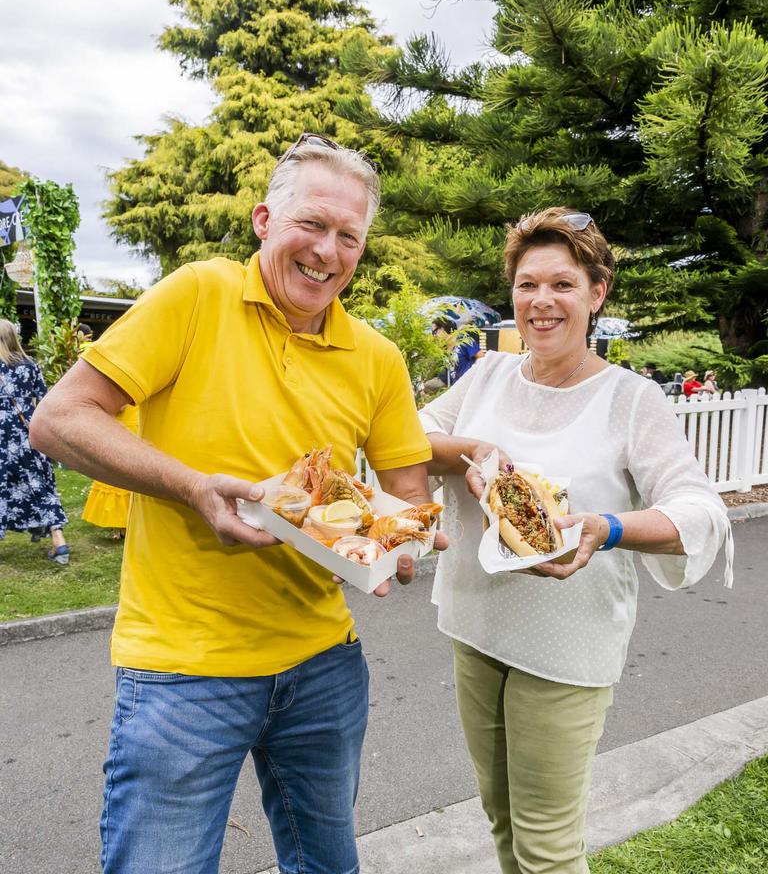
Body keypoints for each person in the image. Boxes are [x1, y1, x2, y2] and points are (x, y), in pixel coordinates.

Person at [30, 133, 447, 874]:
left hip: (324, 663)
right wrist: (193, 487)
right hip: (182, 668)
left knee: (327, 866)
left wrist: (403, 542)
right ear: (263, 220)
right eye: (311, 225)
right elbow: (59, 420)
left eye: (348, 237)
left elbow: (407, 491)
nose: (328, 251)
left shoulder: (377, 358)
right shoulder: (198, 293)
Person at [418, 207, 732, 874]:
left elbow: (699, 510)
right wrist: (472, 452)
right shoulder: (491, 375)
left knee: (547, 847)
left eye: (562, 284)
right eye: (527, 284)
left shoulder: (630, 399)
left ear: (598, 291)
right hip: (478, 624)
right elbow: (409, 441)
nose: (542, 301)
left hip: (565, 647)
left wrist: (606, 528)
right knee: (500, 817)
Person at [0, 318, 69, 563]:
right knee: (40, 485)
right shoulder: (31, 366)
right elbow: (45, 399)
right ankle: (58, 541)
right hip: (27, 432)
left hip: (1, 434)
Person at [81, 403, 140, 538]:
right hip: (133, 425)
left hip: (124, 428)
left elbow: (120, 406)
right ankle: (126, 525)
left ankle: (123, 526)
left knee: (118, 477)